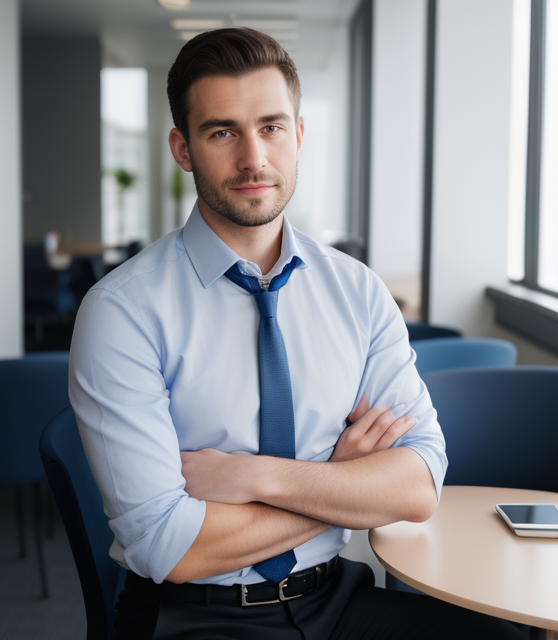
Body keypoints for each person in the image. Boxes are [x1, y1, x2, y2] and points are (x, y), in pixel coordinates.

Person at [69, 28, 525, 640]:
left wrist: (256, 477)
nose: (254, 158)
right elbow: (170, 548)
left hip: (336, 596)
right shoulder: (121, 311)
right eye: (222, 131)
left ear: (300, 135)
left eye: (272, 127)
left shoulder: (356, 291)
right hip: (193, 616)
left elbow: (418, 484)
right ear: (183, 148)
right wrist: (340, 479)